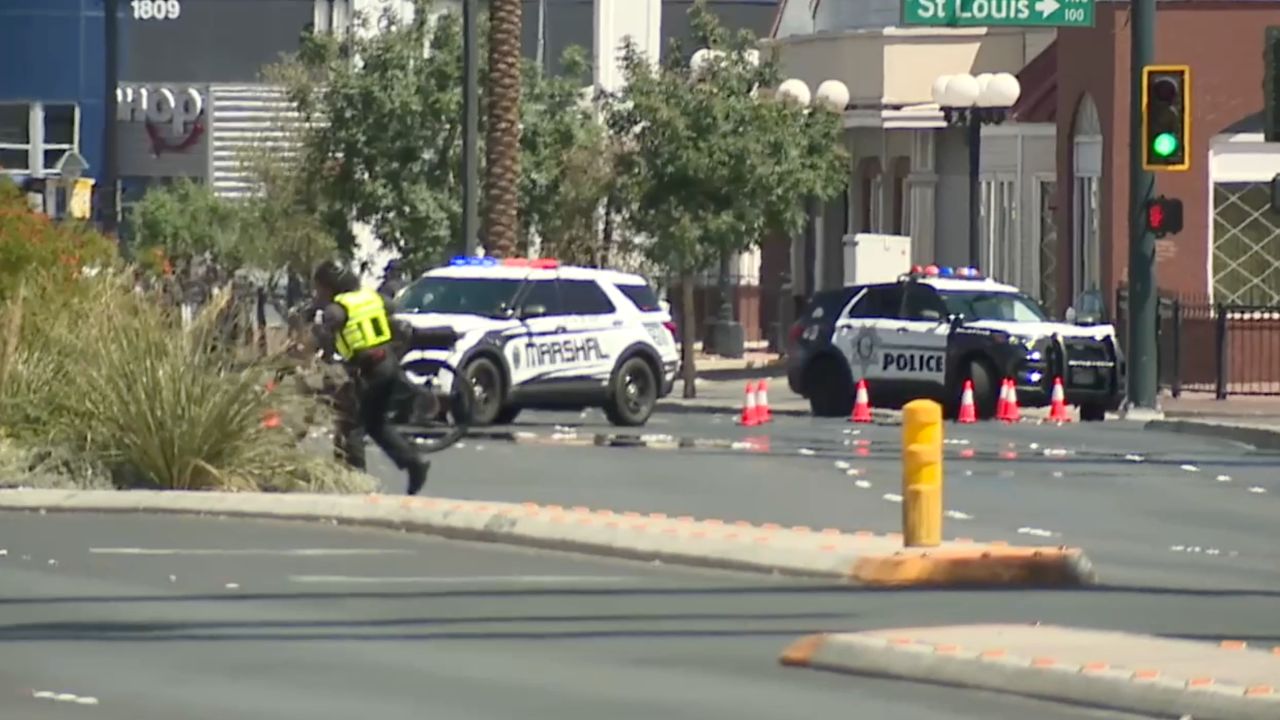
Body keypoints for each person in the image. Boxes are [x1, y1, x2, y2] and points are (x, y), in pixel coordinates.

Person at [311, 260, 429, 494]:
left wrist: (317, 340)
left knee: (351, 426)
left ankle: (356, 484)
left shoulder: (336, 310)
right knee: (376, 424)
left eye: (320, 288)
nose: (319, 293)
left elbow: (324, 335)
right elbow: (392, 309)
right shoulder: (371, 297)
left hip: (366, 370)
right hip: (388, 363)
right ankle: (414, 463)